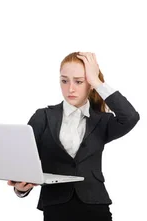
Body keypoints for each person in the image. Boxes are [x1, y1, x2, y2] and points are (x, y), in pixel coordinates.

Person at [7, 52, 140, 221]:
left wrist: (98, 82)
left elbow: (130, 117)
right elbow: (25, 162)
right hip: (55, 206)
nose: (70, 88)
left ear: (90, 84)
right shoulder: (43, 117)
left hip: (95, 206)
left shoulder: (102, 121)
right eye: (64, 81)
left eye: (79, 81)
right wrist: (21, 188)